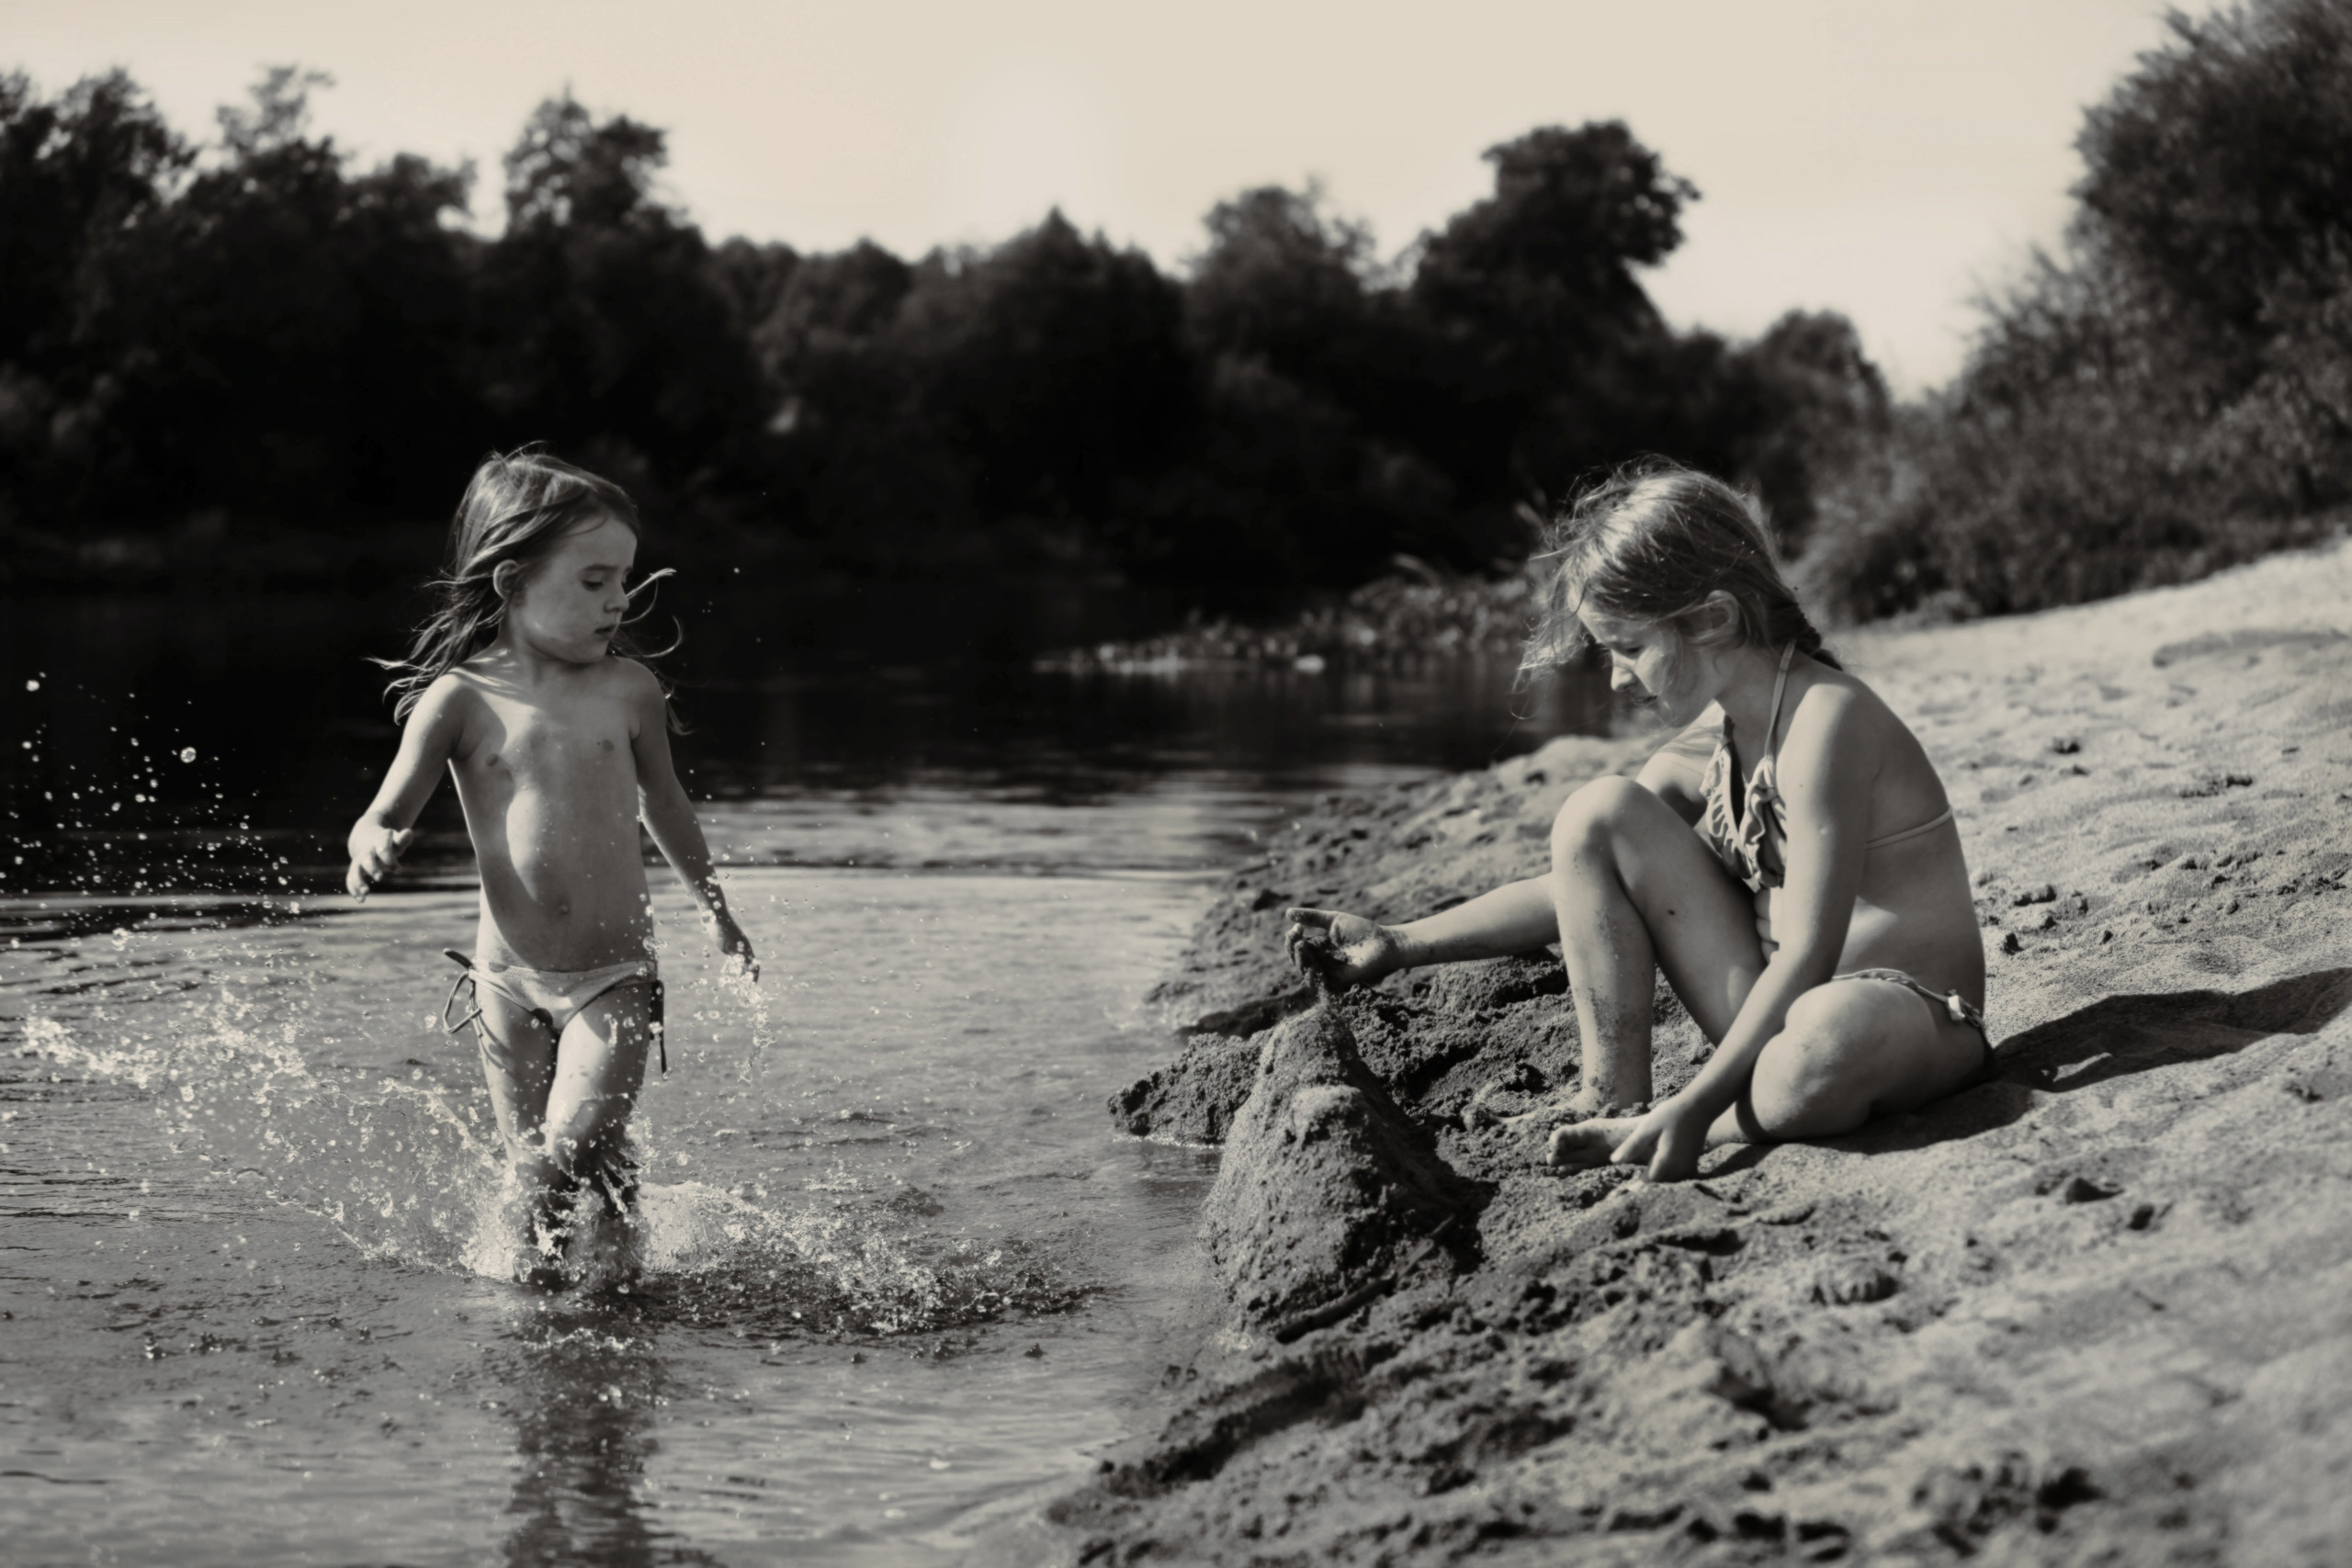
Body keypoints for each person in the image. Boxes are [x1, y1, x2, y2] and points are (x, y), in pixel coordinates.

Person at [1283, 461, 1987, 1183]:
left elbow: (1809, 951)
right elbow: (1580, 879)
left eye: (1629, 648)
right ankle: (1613, 1095)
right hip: (1769, 1024)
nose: (1618, 679)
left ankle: (1696, 1122)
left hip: (1906, 1019)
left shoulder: (1824, 721)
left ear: (1713, 618)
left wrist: (1695, 1100)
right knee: (1597, 813)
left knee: (1825, 1041)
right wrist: (1400, 943)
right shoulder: (1718, 734)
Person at [343, 446, 757, 1280]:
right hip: (504, 984)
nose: (619, 601)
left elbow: (666, 805)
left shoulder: (628, 689)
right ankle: (587, 1280)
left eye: (625, 581)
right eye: (594, 581)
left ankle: (511, 1299)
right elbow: (382, 811)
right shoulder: (458, 699)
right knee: (553, 1174)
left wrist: (716, 909)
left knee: (559, 1154)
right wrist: (372, 842)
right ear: (512, 583)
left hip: (613, 974)